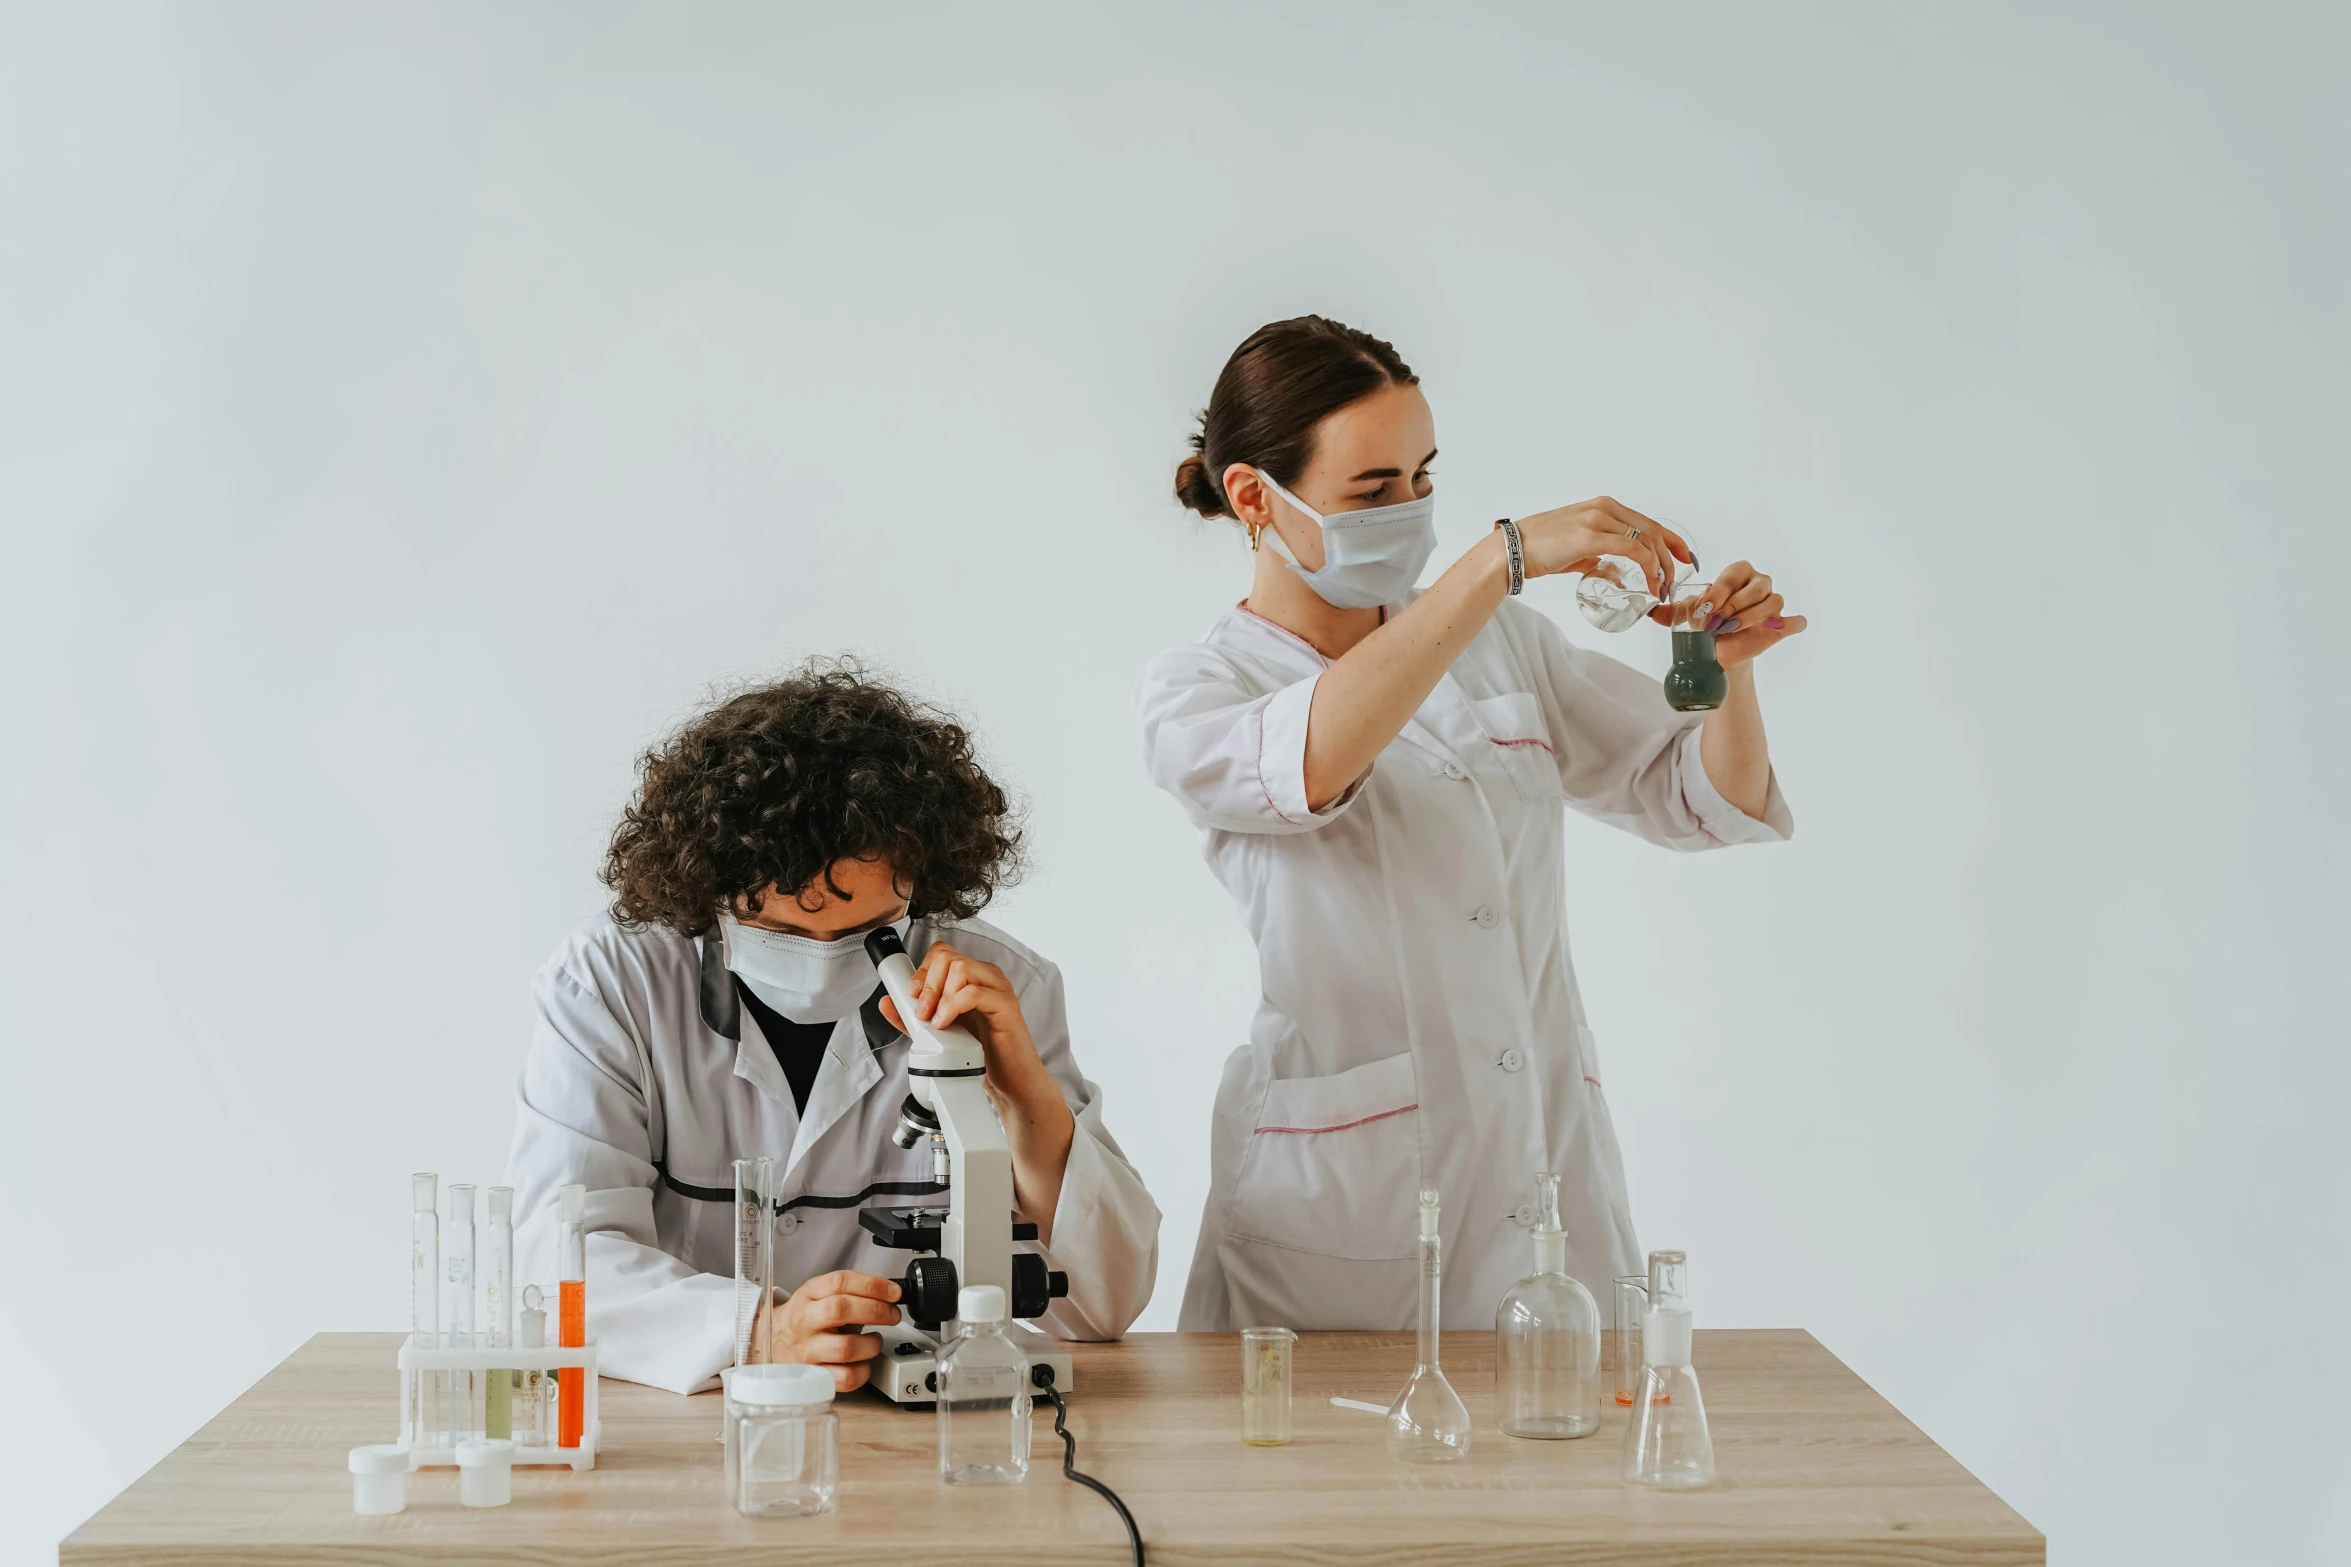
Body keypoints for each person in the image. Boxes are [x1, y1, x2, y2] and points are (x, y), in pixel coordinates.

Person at [1137, 316, 1805, 1332]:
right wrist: (1500, 558)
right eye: (1371, 490)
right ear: (1251, 497)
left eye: (1421, 477)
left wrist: (1731, 670)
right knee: (1327, 1482)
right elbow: (1316, 758)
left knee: (1560, 1464)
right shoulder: (1200, 692)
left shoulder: (1499, 644)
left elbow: (1692, 795)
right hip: (1340, 1211)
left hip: (1541, 1167)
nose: (1408, 513)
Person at [509, 661, 1160, 1394]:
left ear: (921, 878)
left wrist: (1023, 1098)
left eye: (867, 934)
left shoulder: (996, 985)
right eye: (777, 929)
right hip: (693, 1425)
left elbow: (1105, 1302)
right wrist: (759, 1331)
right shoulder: (613, 982)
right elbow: (556, 1264)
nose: (821, 960)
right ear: (709, 890)